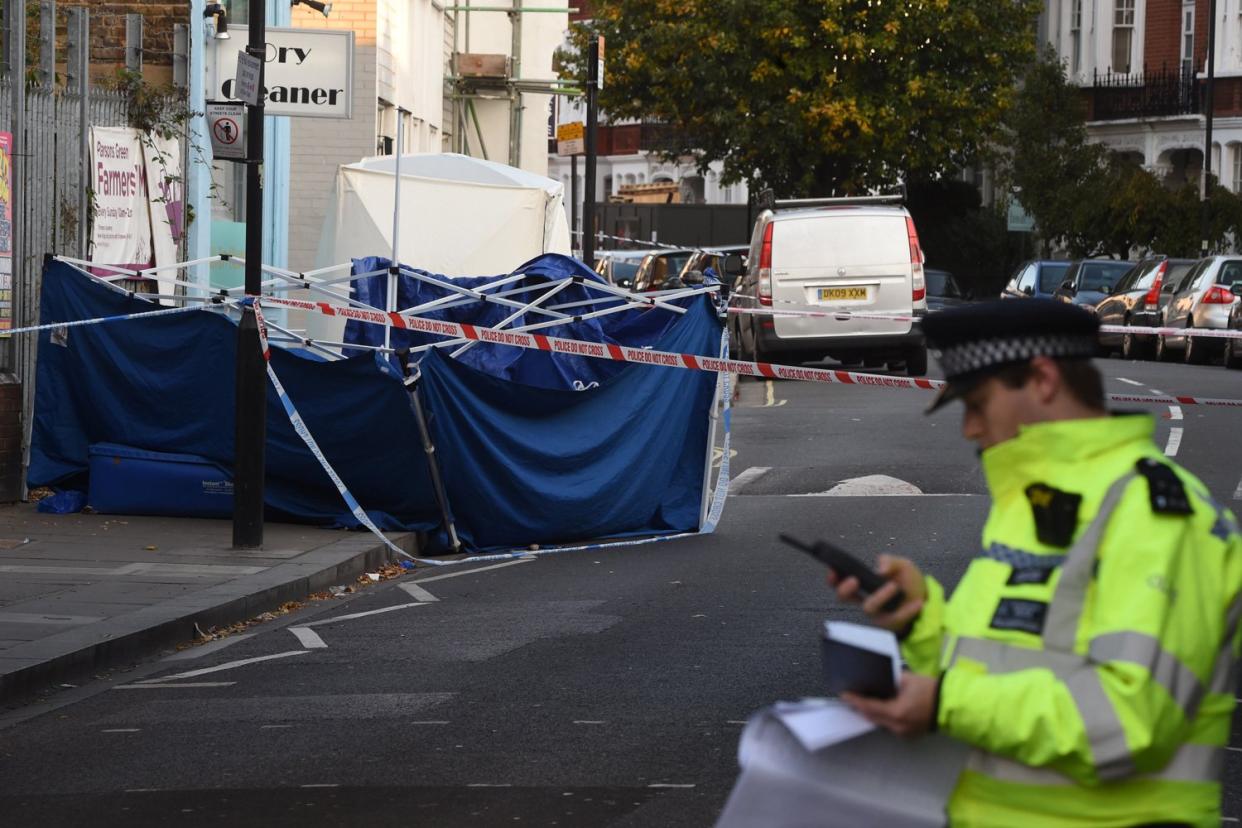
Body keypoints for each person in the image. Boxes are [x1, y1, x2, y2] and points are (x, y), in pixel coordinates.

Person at [831, 299, 1242, 827]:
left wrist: (944, 704)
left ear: (1044, 380)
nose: (970, 429)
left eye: (977, 404)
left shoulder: (1157, 515)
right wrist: (921, 621)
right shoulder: (1039, 501)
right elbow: (1007, 665)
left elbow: (1128, 722)